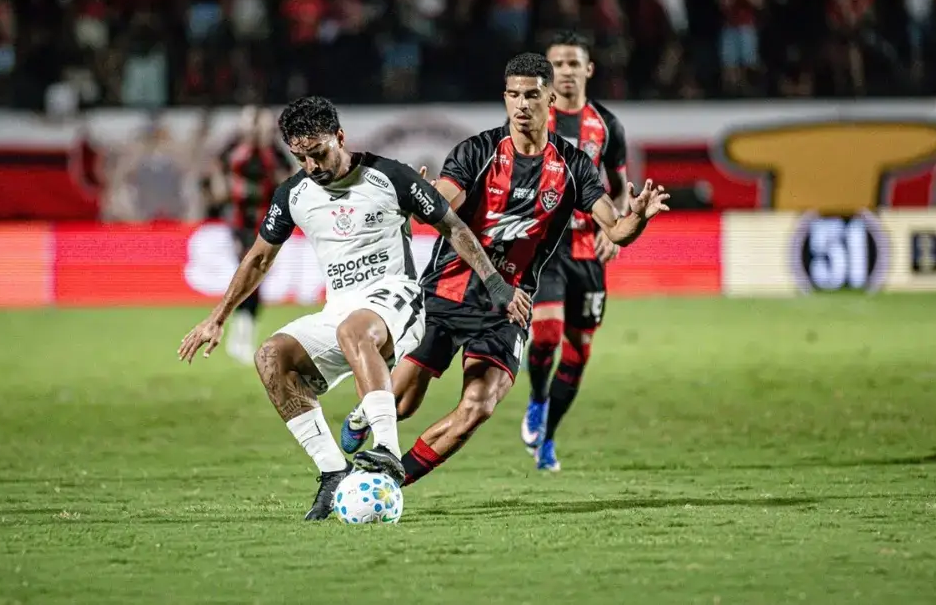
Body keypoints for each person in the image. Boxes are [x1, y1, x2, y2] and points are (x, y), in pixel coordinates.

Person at [178, 96, 530, 519]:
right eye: (301, 157)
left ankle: (387, 449)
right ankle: (332, 471)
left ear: (340, 137)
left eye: (319, 153)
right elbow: (258, 258)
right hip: (341, 309)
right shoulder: (293, 194)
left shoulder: (390, 176)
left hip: (400, 299)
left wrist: (496, 285)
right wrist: (217, 318)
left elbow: (452, 228)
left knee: (354, 331)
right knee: (272, 358)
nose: (311, 165)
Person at [339, 53, 669, 487]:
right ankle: (368, 412)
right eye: (513, 95)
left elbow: (617, 229)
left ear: (550, 98)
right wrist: (422, 198)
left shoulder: (573, 167)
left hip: (506, 308)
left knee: (480, 405)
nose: (521, 104)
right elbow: (443, 203)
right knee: (402, 405)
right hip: (445, 295)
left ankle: (391, 480)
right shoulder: (477, 151)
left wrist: (639, 216)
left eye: (532, 95)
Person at [520, 31, 630, 472]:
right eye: (557, 65)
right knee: (545, 333)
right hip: (546, 247)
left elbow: (619, 189)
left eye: (572, 64)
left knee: (580, 351)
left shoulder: (606, 125)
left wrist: (615, 227)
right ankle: (537, 398)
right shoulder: (529, 120)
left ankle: (548, 437)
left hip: (588, 249)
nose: (565, 72)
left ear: (588, 70)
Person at [209, 106, 298, 365]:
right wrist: (222, 186)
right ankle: (240, 333)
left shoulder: (273, 151)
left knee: (257, 276)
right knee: (248, 271)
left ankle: (242, 331)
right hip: (241, 222)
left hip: (268, 221)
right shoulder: (236, 147)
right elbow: (218, 170)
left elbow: (290, 174)